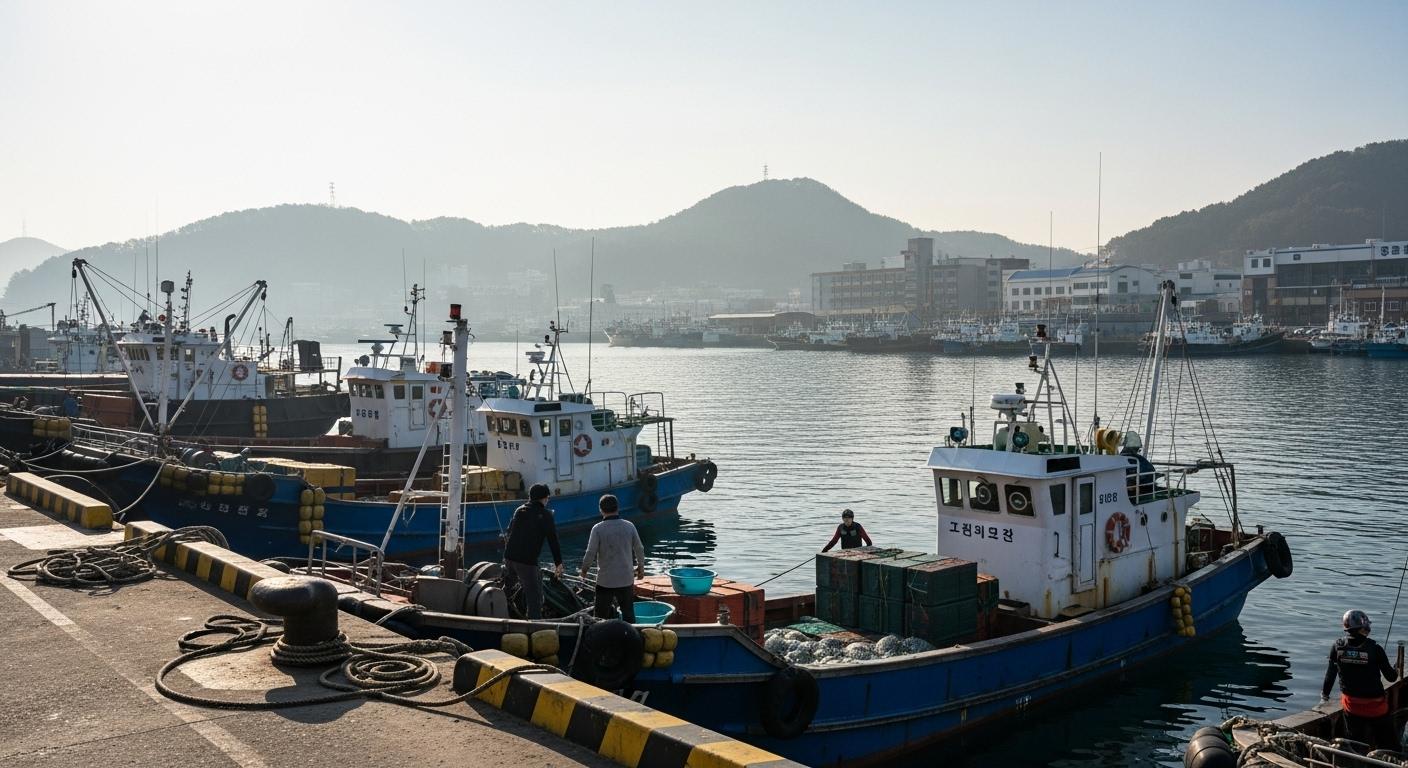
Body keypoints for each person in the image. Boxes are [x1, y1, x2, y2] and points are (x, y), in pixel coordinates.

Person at [1322, 609, 1401, 752]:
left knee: (1356, 744)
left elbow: (1330, 675)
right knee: (1390, 746)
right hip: (1376, 707)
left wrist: (1324, 696)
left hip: (1351, 706)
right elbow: (1391, 677)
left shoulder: (1337, 646)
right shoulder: (1375, 649)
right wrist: (1396, 669)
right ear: (1364, 627)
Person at [579, 494, 645, 623]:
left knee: (600, 616)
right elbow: (639, 548)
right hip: (626, 578)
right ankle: (630, 637)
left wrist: (584, 571)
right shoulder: (629, 526)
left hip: (605, 581)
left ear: (601, 510)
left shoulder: (597, 529)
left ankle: (601, 639)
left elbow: (590, 553)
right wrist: (641, 567)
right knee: (628, 614)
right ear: (618, 508)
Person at [503, 483, 563, 619]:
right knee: (535, 598)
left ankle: (497, 611)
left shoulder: (519, 510)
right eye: (547, 498)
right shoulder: (546, 515)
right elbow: (553, 540)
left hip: (509, 557)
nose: (548, 501)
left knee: (508, 588)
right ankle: (534, 628)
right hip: (527, 562)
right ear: (544, 498)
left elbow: (509, 531)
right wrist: (558, 563)